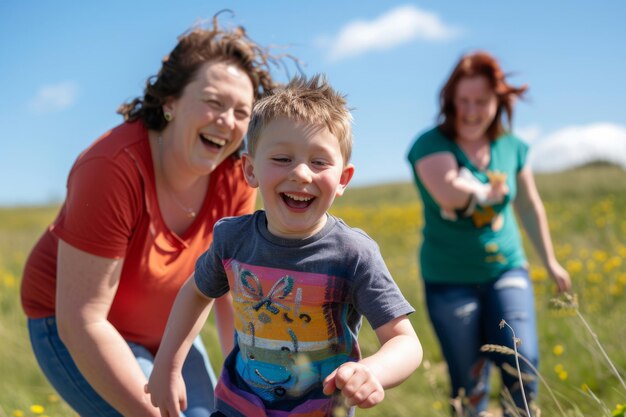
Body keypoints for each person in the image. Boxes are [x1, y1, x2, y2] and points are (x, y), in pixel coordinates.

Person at [20, 15, 281, 417]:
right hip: (74, 326)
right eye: (213, 101)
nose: (227, 122)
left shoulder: (236, 177)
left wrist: (245, 391)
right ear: (170, 100)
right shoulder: (112, 167)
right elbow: (82, 321)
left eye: (241, 112)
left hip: (169, 330)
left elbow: (232, 295)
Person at [146, 75, 423, 417]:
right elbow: (197, 292)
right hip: (237, 407)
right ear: (250, 170)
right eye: (282, 159)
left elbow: (405, 341)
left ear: (343, 180)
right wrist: (168, 366)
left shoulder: (353, 255)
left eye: (319, 162)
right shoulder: (233, 240)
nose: (302, 174)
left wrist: (372, 371)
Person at [407, 51, 571, 416]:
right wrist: (484, 191)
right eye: (462, 100)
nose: (470, 110)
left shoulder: (512, 147)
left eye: (481, 101)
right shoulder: (430, 145)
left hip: (506, 268)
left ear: (498, 101)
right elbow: (450, 194)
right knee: (469, 383)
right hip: (449, 278)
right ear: (450, 102)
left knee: (522, 362)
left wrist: (551, 260)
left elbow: (528, 206)